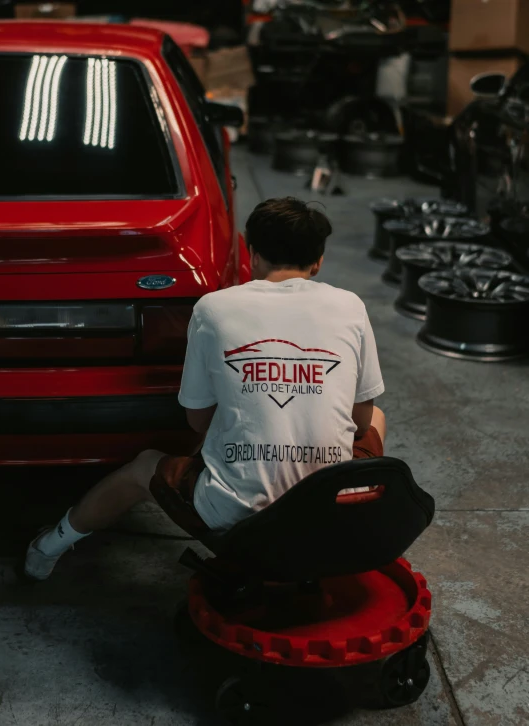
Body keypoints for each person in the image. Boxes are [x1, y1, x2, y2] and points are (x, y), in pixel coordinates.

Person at [24, 197, 385, 581]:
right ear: (318, 262)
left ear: (251, 252)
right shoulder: (350, 305)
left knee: (145, 467)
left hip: (237, 513)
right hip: (331, 505)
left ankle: (47, 548)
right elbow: (361, 421)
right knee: (376, 413)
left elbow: (197, 421)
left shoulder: (214, 308)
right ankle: (341, 535)